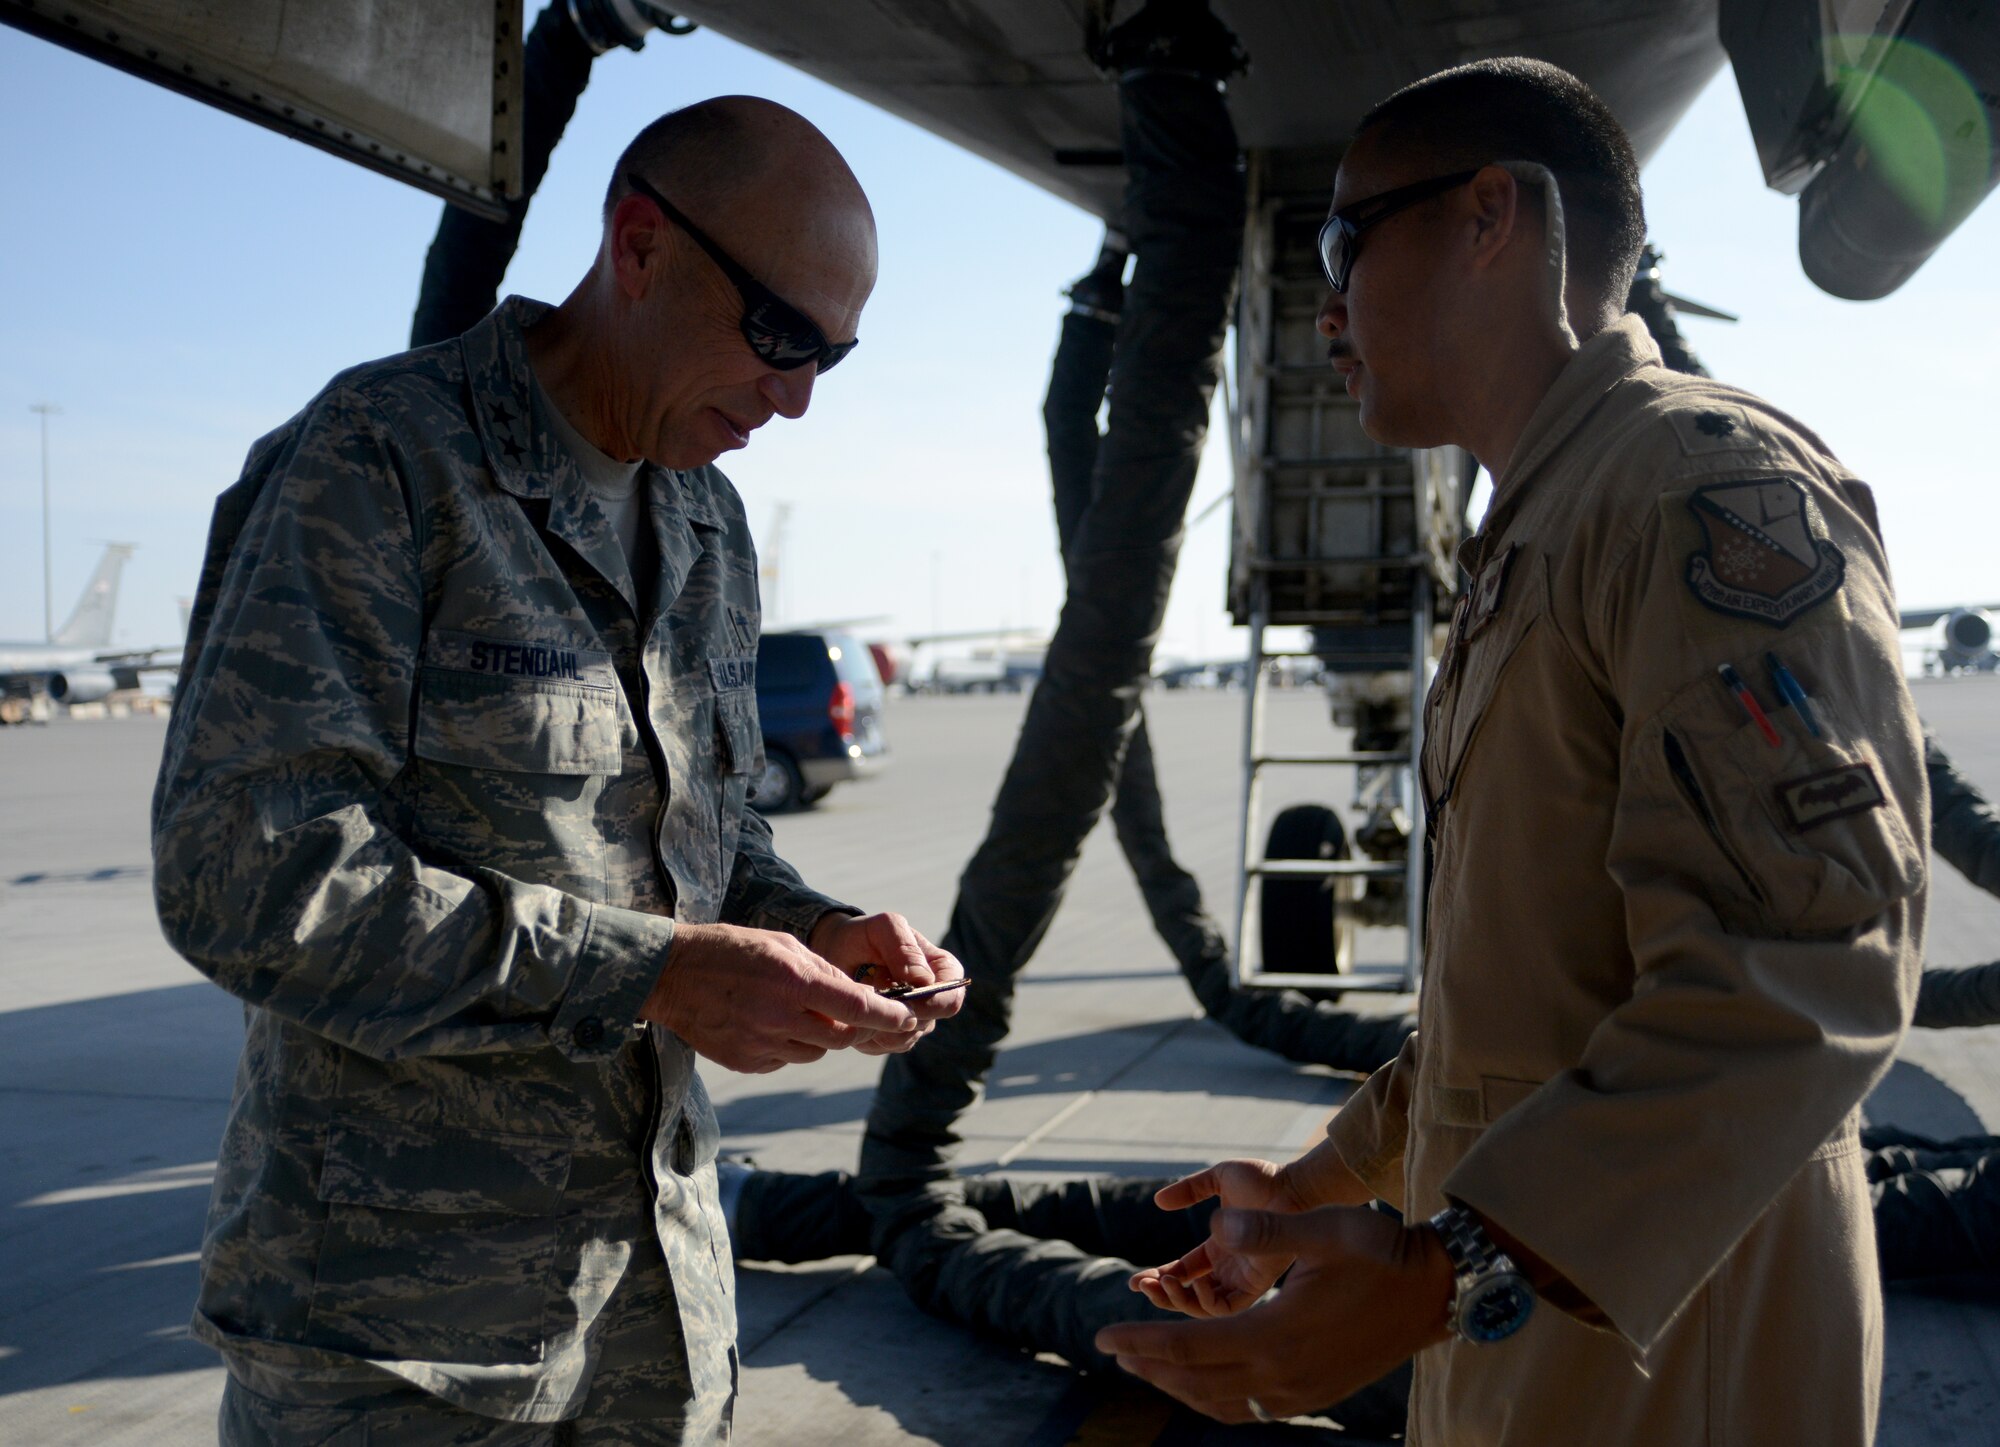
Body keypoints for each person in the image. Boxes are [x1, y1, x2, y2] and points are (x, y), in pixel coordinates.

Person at [1097, 58, 1928, 1444]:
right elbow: (1535, 995)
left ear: (1492, 216)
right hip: (1545, 1331)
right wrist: (1327, 1178)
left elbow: (1803, 965)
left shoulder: (1696, 489)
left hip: (1676, 1363)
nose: (1327, 299)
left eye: (1344, 239)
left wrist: (1446, 1271)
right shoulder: (1543, 529)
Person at [151, 97, 964, 1446]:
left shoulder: (706, 517)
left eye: (831, 357)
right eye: (778, 337)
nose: (797, 396)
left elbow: (708, 854)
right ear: (637, 247)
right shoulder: (379, 461)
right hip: (402, 1360)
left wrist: (812, 934)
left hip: (653, 1327)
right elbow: (247, 873)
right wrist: (648, 974)